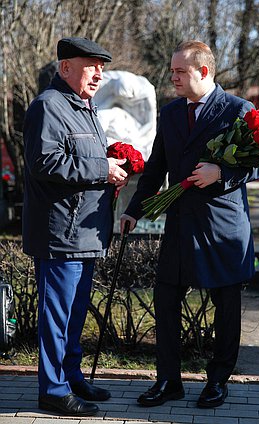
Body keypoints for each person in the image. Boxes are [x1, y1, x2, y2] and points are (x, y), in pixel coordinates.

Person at [120, 40, 259, 409]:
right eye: (172, 71)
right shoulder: (170, 114)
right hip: (180, 226)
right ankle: (168, 381)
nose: (173, 77)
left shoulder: (238, 109)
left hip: (222, 230)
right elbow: (157, 166)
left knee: (226, 306)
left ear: (204, 72)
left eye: (180, 71)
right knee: (165, 298)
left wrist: (223, 171)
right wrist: (133, 211)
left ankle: (217, 381)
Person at [22, 37, 128, 416]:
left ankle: (71, 376)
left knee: (75, 313)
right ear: (65, 67)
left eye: (102, 66)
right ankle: (52, 389)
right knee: (57, 316)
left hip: (84, 232)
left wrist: (112, 162)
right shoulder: (48, 106)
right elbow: (44, 163)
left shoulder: (84, 106)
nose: (99, 73)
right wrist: (103, 168)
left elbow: (78, 158)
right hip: (59, 235)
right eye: (91, 64)